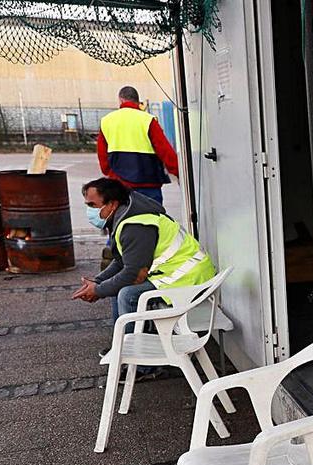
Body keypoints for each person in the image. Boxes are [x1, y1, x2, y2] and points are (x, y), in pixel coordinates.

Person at [71, 178, 215, 345]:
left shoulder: (135, 225)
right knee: (115, 287)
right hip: (176, 273)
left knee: (127, 294)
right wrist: (97, 282)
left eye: (92, 205)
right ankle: (123, 345)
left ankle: (141, 364)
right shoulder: (127, 215)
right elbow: (121, 262)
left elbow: (134, 274)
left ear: (112, 204)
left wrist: (98, 290)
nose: (89, 211)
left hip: (189, 277)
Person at [96, 86, 178, 205]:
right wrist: (177, 171)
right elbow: (164, 150)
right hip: (149, 184)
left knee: (124, 220)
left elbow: (102, 155)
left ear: (121, 100)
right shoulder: (148, 120)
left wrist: (111, 173)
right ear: (137, 100)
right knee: (152, 219)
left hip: (120, 185)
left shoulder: (107, 120)